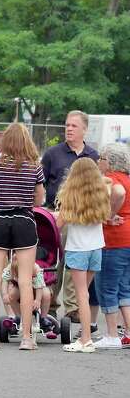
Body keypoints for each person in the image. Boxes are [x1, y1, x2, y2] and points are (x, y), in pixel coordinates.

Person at [0, 123, 45, 351]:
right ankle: (27, 337)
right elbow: (39, 201)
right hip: (24, 222)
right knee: (26, 280)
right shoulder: (34, 167)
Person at [43, 111, 100, 321]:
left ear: (84, 129)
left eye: (74, 126)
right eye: (67, 125)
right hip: (55, 213)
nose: (69, 129)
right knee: (53, 260)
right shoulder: (52, 154)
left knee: (74, 263)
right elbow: (40, 184)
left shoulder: (93, 156)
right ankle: (49, 304)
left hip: (81, 217)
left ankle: (73, 307)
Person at [55, 157, 110, 353]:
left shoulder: (70, 198)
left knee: (81, 296)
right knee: (84, 294)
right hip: (96, 249)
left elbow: (59, 225)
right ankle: (86, 336)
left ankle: (85, 339)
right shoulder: (102, 194)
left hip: (78, 250)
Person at [94, 144, 130, 348]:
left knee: (107, 287)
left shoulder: (112, 179)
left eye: (101, 158)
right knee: (125, 289)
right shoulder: (128, 178)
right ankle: (128, 332)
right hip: (128, 238)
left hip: (113, 240)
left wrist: (108, 214)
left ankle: (111, 334)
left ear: (110, 160)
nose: (99, 162)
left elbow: (118, 192)